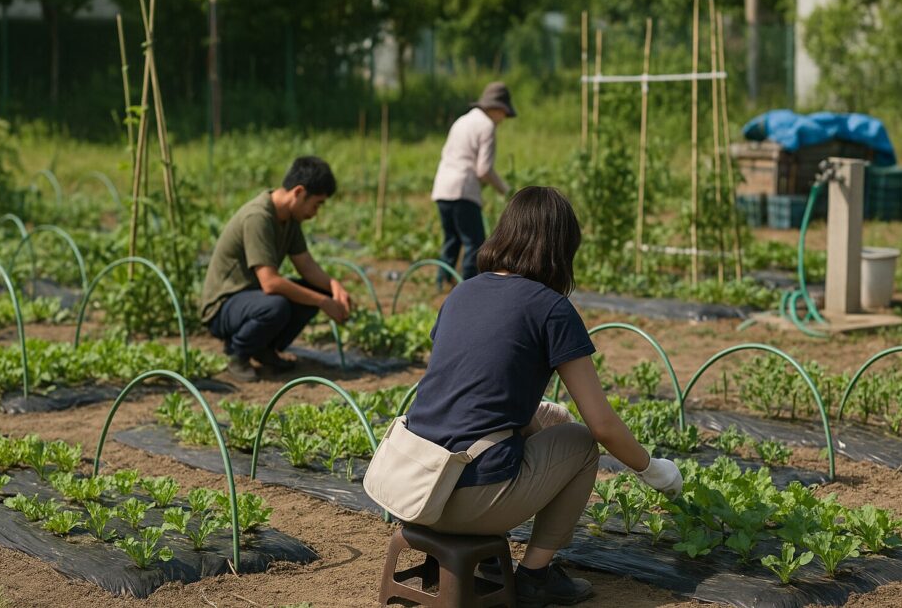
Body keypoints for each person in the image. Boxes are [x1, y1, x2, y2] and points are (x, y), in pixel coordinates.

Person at [406, 186, 682, 607]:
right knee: (579, 441)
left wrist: (534, 425)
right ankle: (535, 576)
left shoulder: (462, 292)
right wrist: (653, 469)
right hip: (465, 500)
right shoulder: (551, 308)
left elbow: (469, 392)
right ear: (561, 248)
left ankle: (484, 559)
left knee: (536, 427)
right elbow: (602, 425)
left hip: (414, 485)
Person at [201, 156, 352, 382]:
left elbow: (306, 266)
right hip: (224, 305)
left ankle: (263, 349)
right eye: (317, 204)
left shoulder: (290, 219)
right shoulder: (259, 217)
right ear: (299, 192)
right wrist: (323, 302)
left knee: (309, 293)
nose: (316, 212)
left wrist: (333, 287)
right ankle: (237, 354)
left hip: (252, 299)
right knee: (276, 305)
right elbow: (270, 283)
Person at [431, 81, 515, 287]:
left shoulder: (462, 120)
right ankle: (468, 288)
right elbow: (483, 169)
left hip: (442, 188)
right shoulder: (486, 126)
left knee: (451, 240)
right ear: (497, 109)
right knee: (474, 243)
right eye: (503, 114)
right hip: (463, 190)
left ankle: (441, 282)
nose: (502, 120)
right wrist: (505, 189)